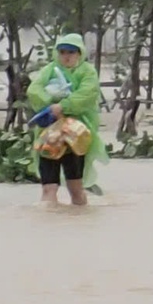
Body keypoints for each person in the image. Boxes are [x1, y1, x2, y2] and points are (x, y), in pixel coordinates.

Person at [26, 33, 104, 207]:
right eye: (62, 52)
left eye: (71, 52)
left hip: (75, 135)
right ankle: (49, 219)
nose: (66, 56)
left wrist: (63, 106)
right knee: (48, 187)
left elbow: (87, 94)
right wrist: (49, 103)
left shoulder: (87, 72)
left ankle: (79, 218)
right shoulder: (49, 70)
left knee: (75, 187)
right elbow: (34, 90)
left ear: (80, 53)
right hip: (49, 135)